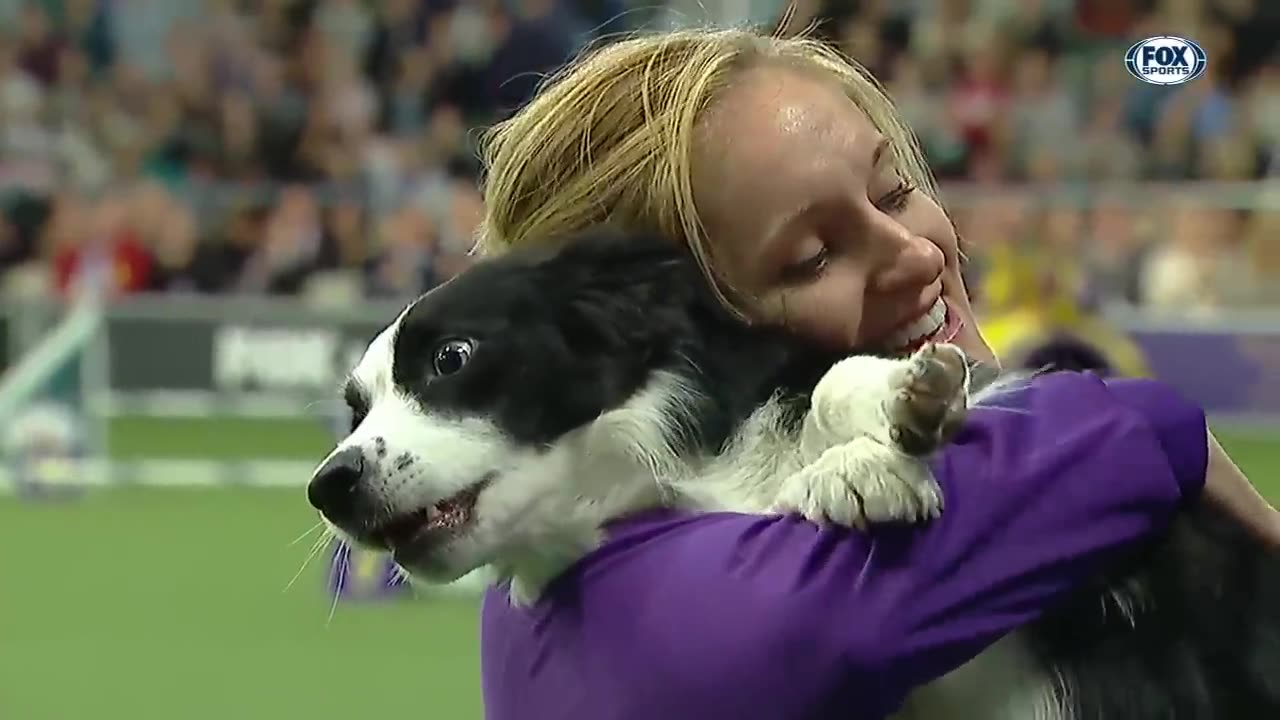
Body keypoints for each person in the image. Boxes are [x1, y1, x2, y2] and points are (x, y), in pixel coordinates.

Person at [471, 28, 1280, 719]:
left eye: (894, 191)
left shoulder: (550, 574)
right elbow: (1122, 437)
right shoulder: (706, 621)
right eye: (811, 257)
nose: (920, 253)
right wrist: (1140, 432)